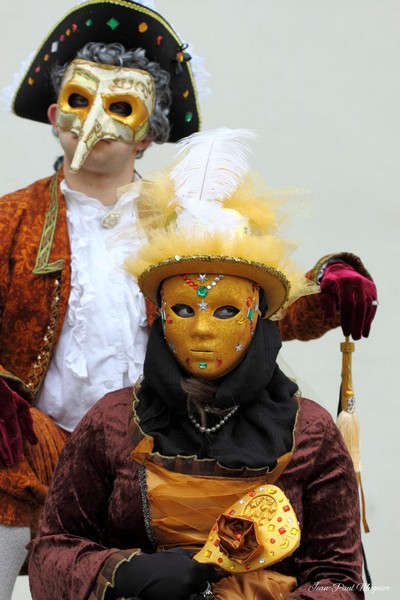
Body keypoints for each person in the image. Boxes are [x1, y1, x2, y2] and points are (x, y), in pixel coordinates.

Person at [0, 1, 376, 597]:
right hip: (21, 460)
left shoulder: (188, 223)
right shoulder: (8, 222)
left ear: (149, 131)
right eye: (78, 101)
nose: (94, 121)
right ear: (53, 113)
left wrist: (331, 287)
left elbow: (255, 307)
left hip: (152, 446)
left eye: (120, 106)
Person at [28, 129, 365, 599]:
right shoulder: (110, 422)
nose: (203, 330)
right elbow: (49, 554)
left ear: (257, 319)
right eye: (185, 309)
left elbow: (339, 580)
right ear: (161, 316)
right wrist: (125, 572)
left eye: (226, 310)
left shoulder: (308, 432)